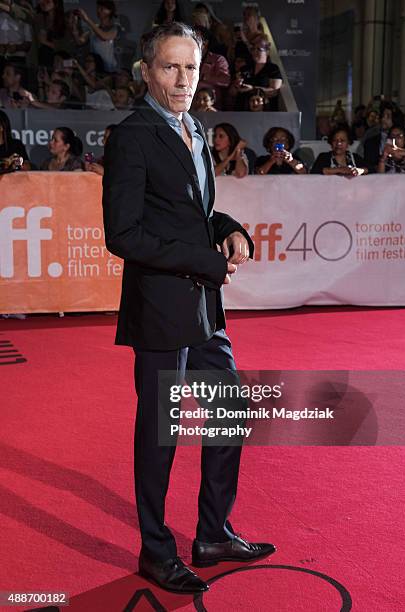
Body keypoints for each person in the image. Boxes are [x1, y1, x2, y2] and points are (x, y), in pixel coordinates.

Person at [102, 22, 275, 595]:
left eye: (191, 68)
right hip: (159, 307)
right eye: (171, 67)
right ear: (147, 71)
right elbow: (122, 234)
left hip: (202, 303)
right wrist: (203, 261)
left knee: (231, 410)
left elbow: (196, 213)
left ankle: (213, 531)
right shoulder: (131, 137)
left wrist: (229, 229)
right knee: (161, 433)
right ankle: (156, 550)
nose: (183, 79)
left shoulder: (195, 128)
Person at [234, 34, 282, 111]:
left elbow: (274, 91)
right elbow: (234, 91)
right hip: (242, 108)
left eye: (259, 49)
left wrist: (252, 89)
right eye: (253, 49)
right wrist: (237, 85)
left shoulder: (273, 69)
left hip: (263, 111)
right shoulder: (245, 68)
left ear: (267, 51)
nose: (254, 52)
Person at [73, 0, 119, 74]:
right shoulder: (94, 28)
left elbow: (104, 36)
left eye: (102, 9)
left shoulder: (114, 28)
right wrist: (74, 25)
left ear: (110, 11)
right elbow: (79, 41)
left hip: (109, 69)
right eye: (98, 8)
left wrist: (87, 19)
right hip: (95, 68)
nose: (98, 11)